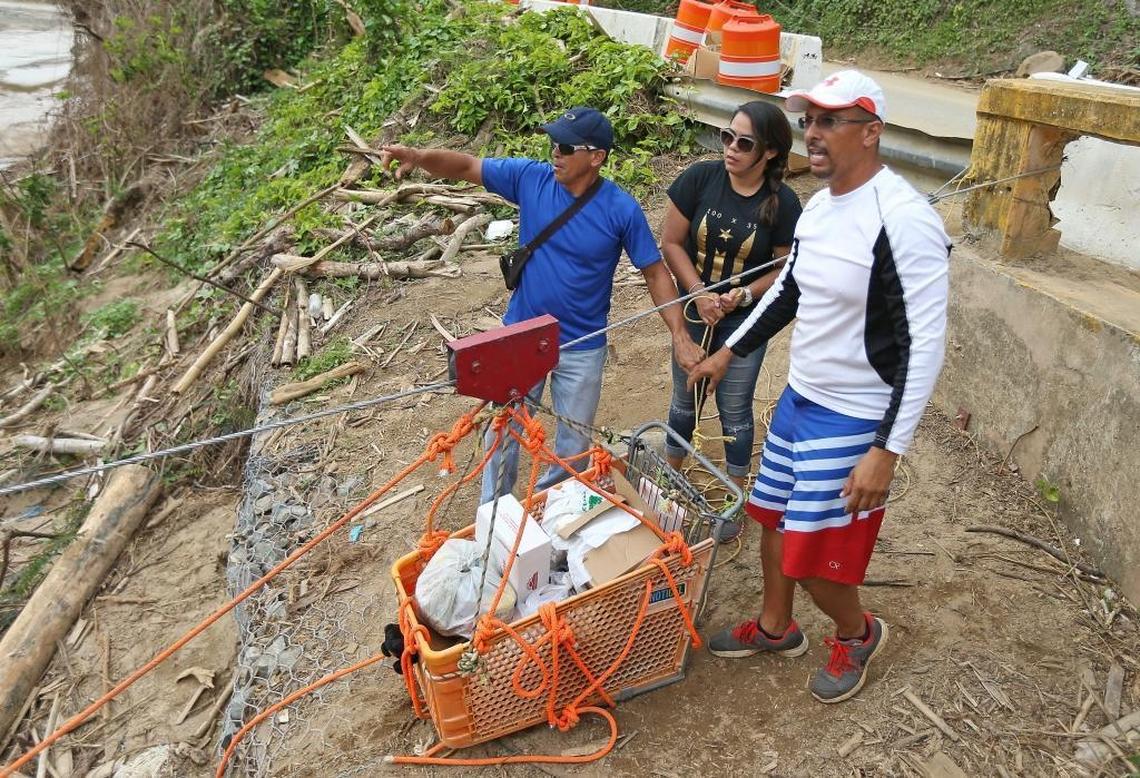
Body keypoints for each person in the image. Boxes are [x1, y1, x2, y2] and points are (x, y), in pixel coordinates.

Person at [687, 71, 950, 703]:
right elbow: (789, 291)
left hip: (855, 413)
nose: (814, 132)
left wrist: (887, 450)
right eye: (809, 120)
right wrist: (730, 350)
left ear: (872, 131)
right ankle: (776, 629)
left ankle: (858, 631)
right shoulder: (824, 208)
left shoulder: (903, 220)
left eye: (830, 120)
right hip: (802, 399)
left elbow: (925, 346)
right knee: (772, 520)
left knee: (810, 555)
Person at [379, 107, 697, 503]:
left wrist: (680, 335)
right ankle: (495, 514)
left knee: (573, 443)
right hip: (522, 334)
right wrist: (419, 155)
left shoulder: (621, 209)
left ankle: (550, 510)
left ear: (596, 157)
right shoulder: (531, 178)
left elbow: (654, 272)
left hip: (582, 345)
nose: (555, 154)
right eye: (552, 144)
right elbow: (467, 166)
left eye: (565, 146)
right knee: (502, 428)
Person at [661, 101, 802, 493]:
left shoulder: (785, 203)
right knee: (683, 396)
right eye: (727, 137)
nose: (731, 149)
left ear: (770, 151)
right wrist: (698, 292)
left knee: (735, 408)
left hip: (745, 320)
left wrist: (742, 295)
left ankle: (734, 493)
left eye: (744, 143)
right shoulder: (700, 178)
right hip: (694, 310)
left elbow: (783, 271)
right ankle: (668, 478)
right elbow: (670, 243)